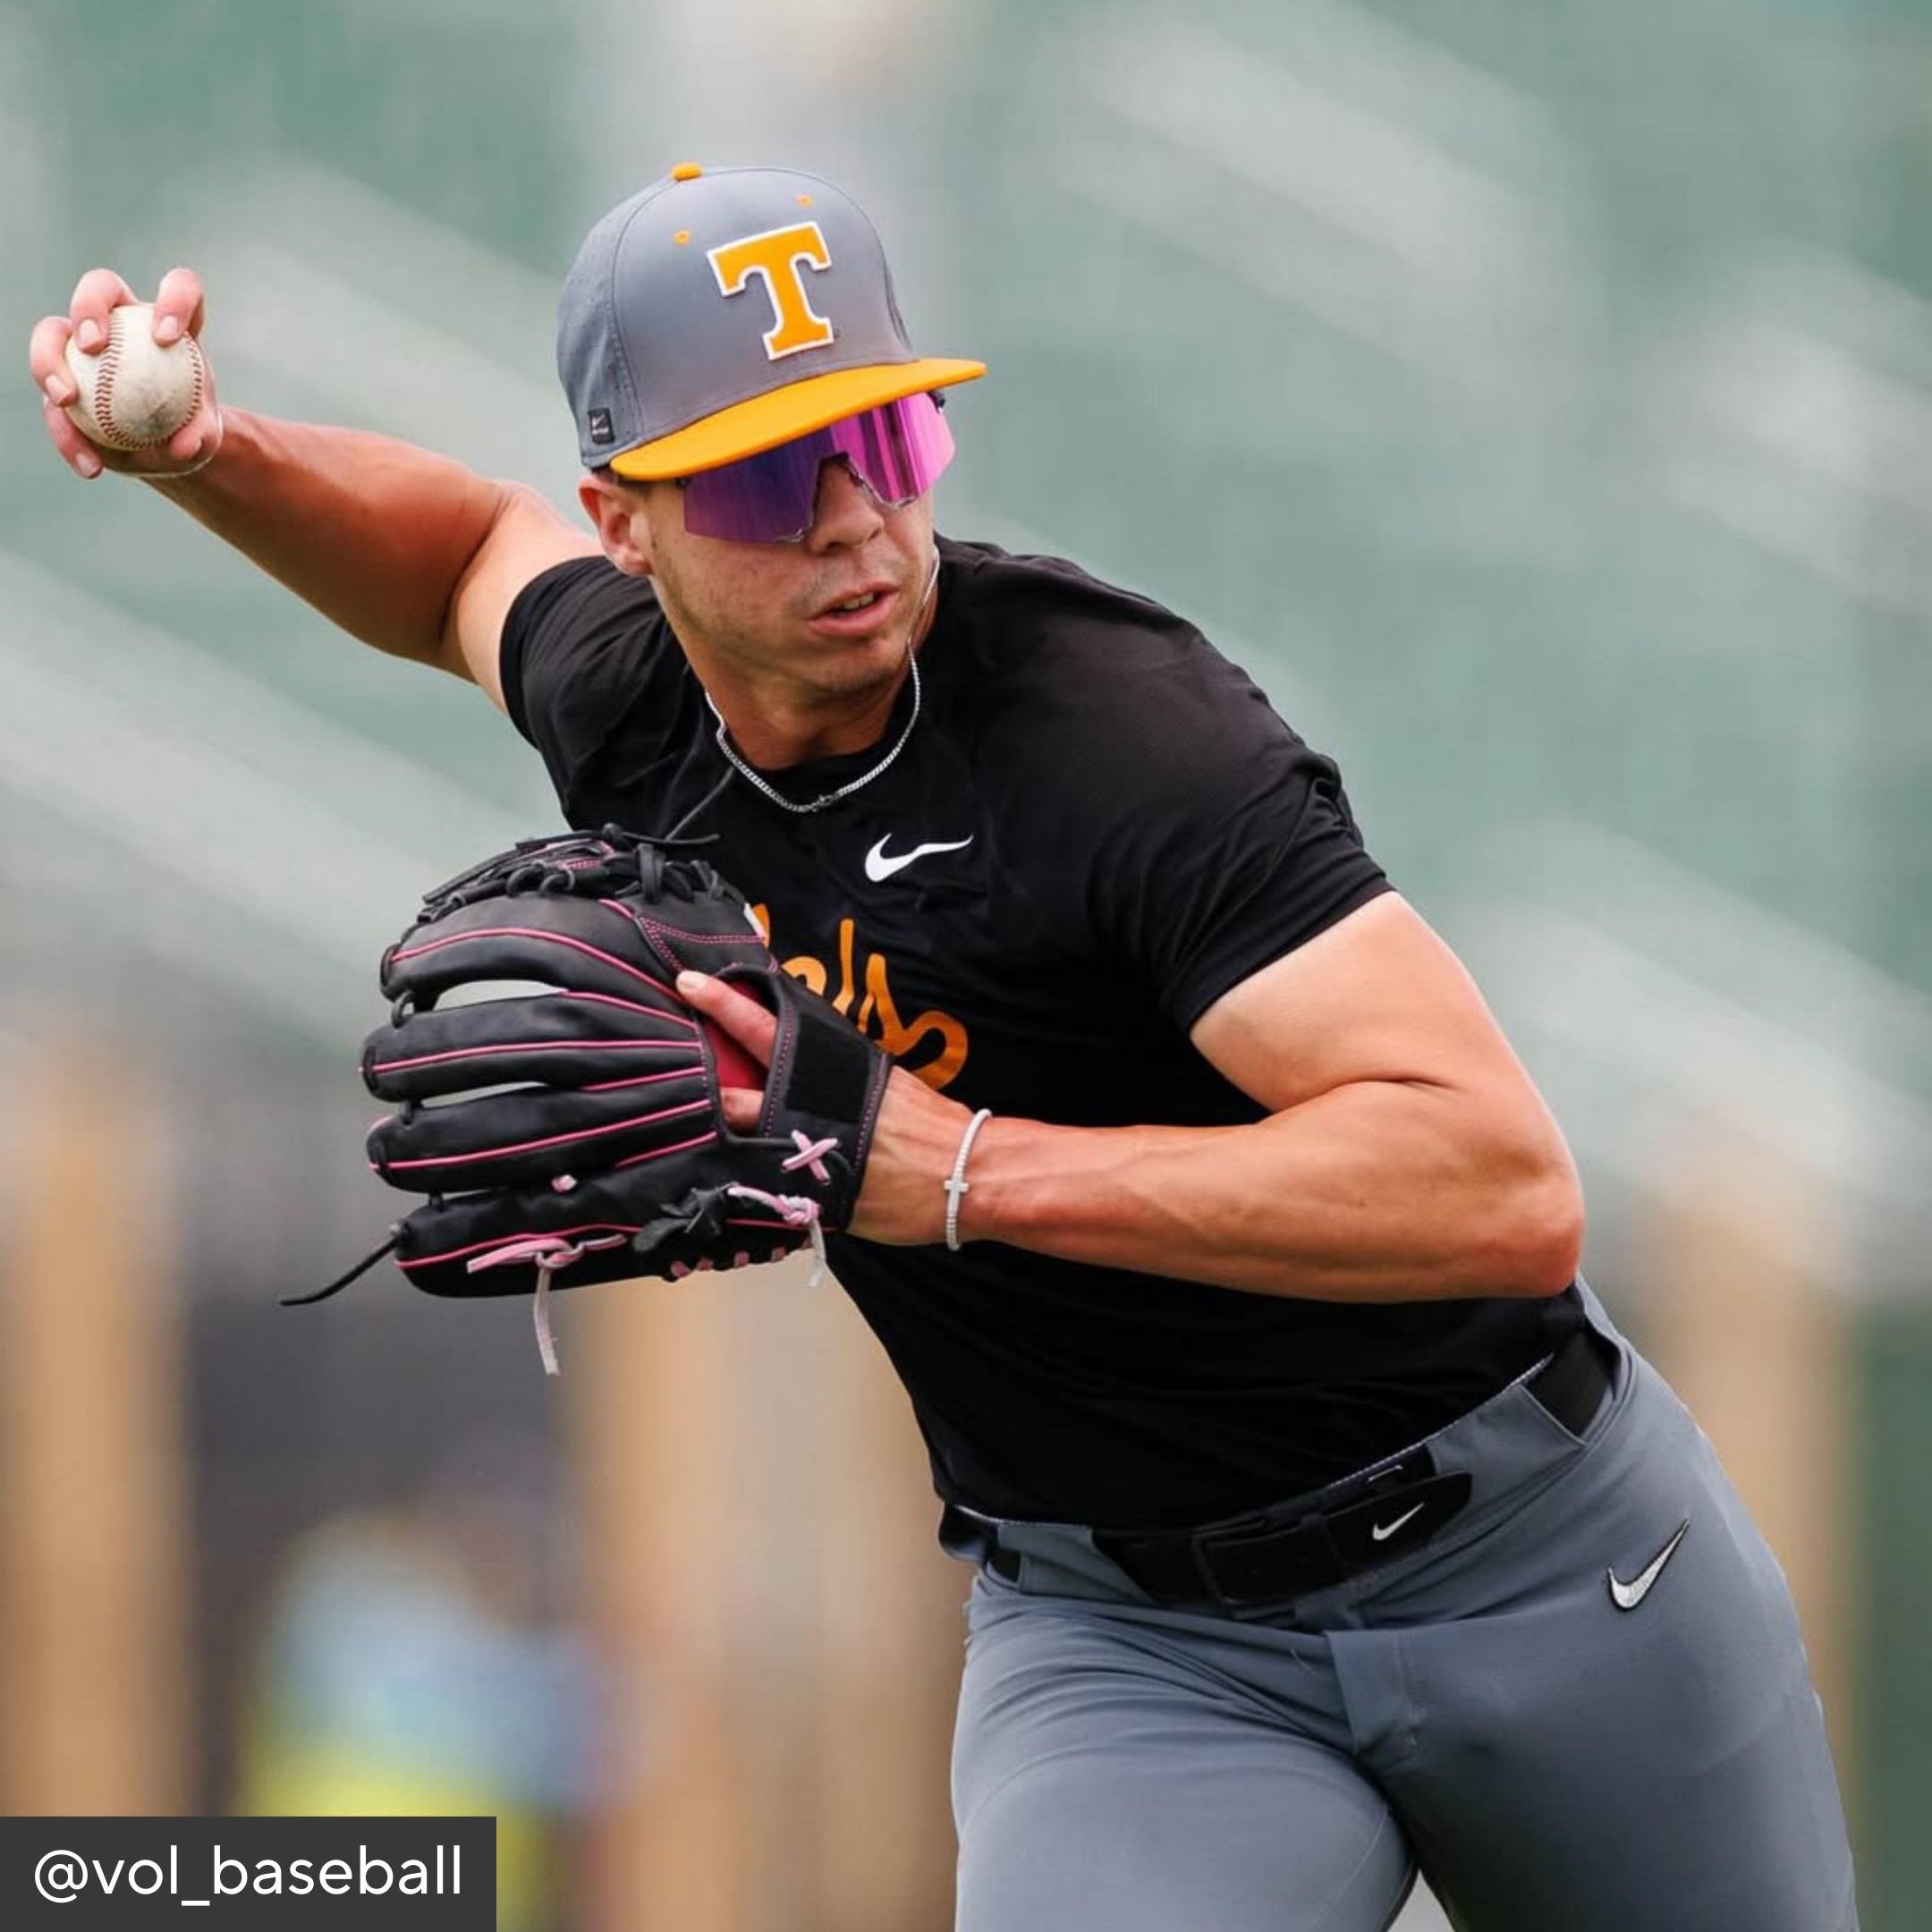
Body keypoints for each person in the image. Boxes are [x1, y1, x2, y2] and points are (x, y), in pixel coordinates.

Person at [32, 162, 1858, 1931]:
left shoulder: (1121, 743)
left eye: (884, 436)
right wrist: (210, 459)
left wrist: (959, 1171)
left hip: (1544, 1568)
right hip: (1141, 1649)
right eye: (759, 473)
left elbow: (1503, 1184)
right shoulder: (634, 701)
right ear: (627, 523)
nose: (848, 513)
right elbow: (454, 565)